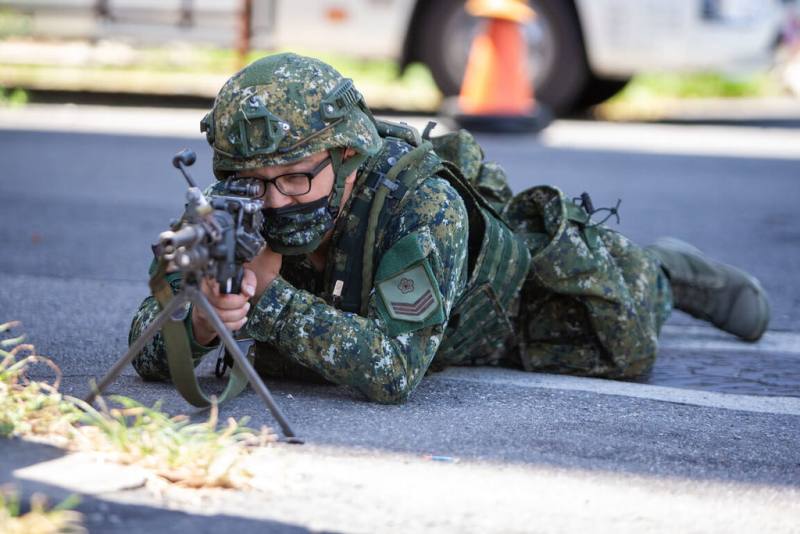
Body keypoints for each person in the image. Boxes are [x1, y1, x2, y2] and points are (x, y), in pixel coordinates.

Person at [129, 53, 770, 404]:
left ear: (347, 155)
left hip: (502, 312)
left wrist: (268, 299)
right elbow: (145, 351)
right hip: (386, 319)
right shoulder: (233, 209)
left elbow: (394, 371)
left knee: (625, 343)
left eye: (295, 178)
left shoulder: (422, 207)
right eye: (253, 180)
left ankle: (665, 269)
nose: (273, 201)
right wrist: (206, 318)